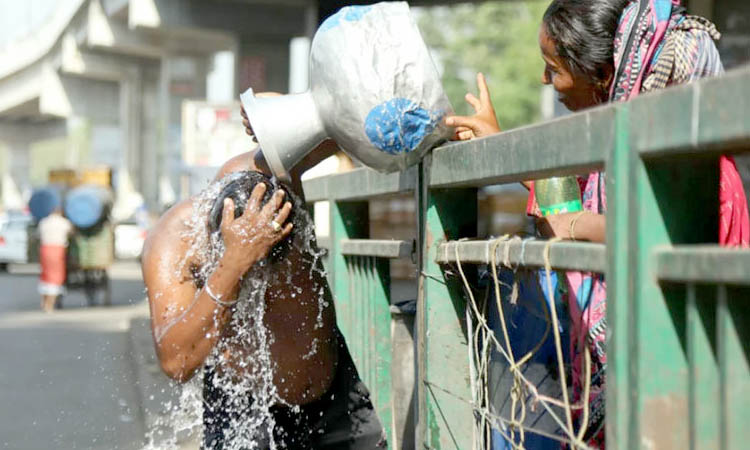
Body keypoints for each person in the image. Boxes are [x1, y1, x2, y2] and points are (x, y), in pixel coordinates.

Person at [445, 0, 750, 446]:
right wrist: (499, 147)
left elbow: (653, 231)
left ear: (602, 75)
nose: (545, 81)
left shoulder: (693, 165)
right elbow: (562, 207)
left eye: (553, 68)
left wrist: (579, 225)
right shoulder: (611, 163)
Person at [141, 125, 386, 448]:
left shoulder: (277, 168)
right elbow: (176, 362)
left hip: (333, 401)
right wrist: (233, 266)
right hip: (242, 408)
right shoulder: (176, 240)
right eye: (254, 274)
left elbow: (350, 123)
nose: (265, 282)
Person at [38, 208, 73, 312]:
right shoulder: (63, 222)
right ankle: (49, 305)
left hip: (44, 250)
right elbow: (72, 232)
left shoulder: (43, 222)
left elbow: (38, 235)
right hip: (58, 250)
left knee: (45, 275)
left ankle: (44, 301)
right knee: (55, 276)